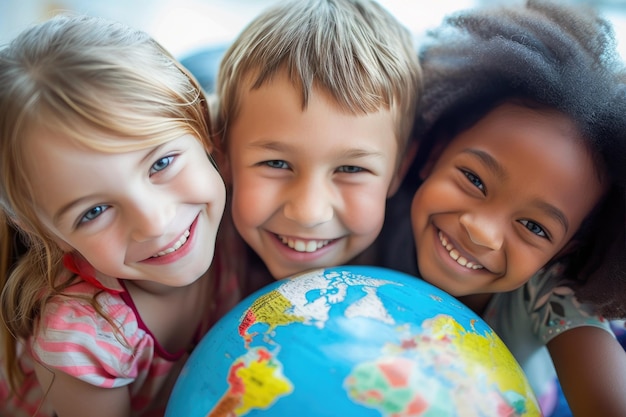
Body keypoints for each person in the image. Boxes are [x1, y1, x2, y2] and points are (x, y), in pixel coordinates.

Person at [368, 1, 626, 416]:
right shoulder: (377, 207)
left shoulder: (549, 294)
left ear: (565, 252)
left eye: (533, 227)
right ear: (434, 151)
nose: (481, 231)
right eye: (474, 179)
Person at [0, 14, 240, 417]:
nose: (155, 222)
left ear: (202, 128)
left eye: (162, 163)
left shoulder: (240, 218)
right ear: (48, 234)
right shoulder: (81, 337)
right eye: (94, 211)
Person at [213, 0, 422, 284]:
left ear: (399, 169)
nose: (308, 213)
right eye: (276, 163)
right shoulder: (196, 247)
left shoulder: (412, 258)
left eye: (350, 169)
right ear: (223, 151)